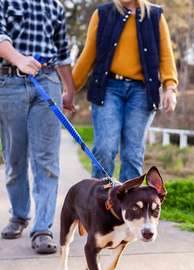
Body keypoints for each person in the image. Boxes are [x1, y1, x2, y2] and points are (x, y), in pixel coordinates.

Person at [0, 0, 76, 253]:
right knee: (14, 158)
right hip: (7, 82)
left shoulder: (55, 5)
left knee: (46, 159)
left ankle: (42, 227)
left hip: (47, 81)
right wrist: (19, 59)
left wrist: (70, 89)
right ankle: (19, 214)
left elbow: (63, 52)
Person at [72, 0, 178, 182]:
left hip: (141, 92)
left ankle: (129, 207)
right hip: (108, 88)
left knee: (132, 156)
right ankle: (99, 204)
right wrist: (69, 89)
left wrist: (170, 86)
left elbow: (166, 55)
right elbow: (87, 55)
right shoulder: (102, 14)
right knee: (104, 150)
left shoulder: (155, 16)